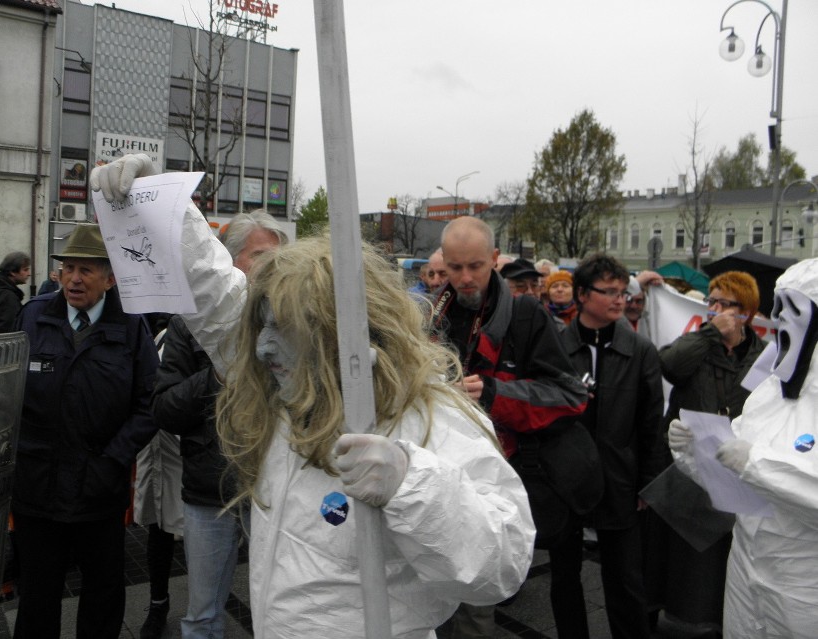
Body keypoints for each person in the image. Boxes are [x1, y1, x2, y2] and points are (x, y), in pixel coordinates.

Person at [89, 155, 534, 638]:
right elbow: (214, 294)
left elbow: (502, 564)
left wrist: (414, 485)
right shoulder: (289, 392)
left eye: (282, 328)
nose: (260, 346)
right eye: (263, 326)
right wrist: (161, 203)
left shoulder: (429, 416)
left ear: (333, 331)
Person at [430, 216, 589, 638]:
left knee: (475, 608)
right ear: (443, 262)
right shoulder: (430, 313)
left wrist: (493, 393)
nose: (465, 278)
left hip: (496, 480)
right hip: (440, 474)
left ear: (496, 260)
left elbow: (570, 396)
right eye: (455, 267)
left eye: (476, 266)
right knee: (432, 599)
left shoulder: (524, 313)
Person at [10, 223, 159, 638]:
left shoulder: (131, 326)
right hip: (38, 488)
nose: (74, 278)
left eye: (87, 270)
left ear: (110, 279)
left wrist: (113, 459)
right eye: (68, 268)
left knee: (103, 594)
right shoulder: (34, 316)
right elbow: (6, 393)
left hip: (100, 491)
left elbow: (150, 402)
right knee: (37, 597)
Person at [153, 210, 288, 639]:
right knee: (204, 614)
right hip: (210, 493)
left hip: (275, 494)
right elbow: (165, 409)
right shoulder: (188, 325)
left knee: (282, 608)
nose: (275, 270)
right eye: (263, 257)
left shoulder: (290, 327)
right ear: (229, 261)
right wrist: (217, 373)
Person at [669, 257, 818, 639]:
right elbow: (733, 475)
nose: (783, 320)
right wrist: (693, 452)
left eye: (796, 310)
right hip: (745, 565)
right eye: (779, 307)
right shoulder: (769, 391)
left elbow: (754, 467)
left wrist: (756, 465)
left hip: (804, 585)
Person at [645, 271, 764, 637]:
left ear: (745, 312)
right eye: (711, 302)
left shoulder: (761, 356)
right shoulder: (698, 342)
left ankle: (719, 621)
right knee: (678, 562)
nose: (715, 310)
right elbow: (667, 364)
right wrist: (711, 332)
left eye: (725, 304)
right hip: (688, 469)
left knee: (720, 560)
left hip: (734, 473)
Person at [556, 253, 665, 639]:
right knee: (564, 577)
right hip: (566, 482)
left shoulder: (640, 350)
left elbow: (652, 423)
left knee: (625, 579)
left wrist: (648, 481)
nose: (621, 300)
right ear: (582, 295)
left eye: (623, 292)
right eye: (610, 292)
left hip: (621, 478)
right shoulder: (556, 345)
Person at [134, 312, 182, 639]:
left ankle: (207, 610)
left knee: (202, 531)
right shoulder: (158, 336)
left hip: (190, 450)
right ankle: (158, 602)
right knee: (159, 528)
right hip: (157, 448)